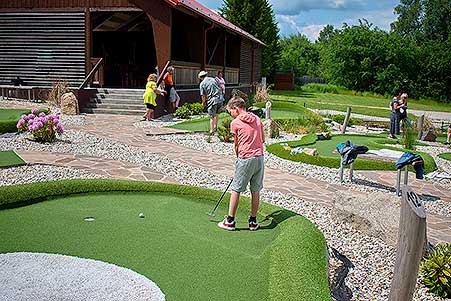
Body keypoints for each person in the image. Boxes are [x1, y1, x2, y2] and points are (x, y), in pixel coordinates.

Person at [217, 96, 265, 231]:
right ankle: (253, 221)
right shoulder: (256, 118)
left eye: (230, 112)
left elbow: (237, 145)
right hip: (259, 158)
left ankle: (230, 221)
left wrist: (239, 158)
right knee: (255, 190)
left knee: (236, 189)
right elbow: (263, 139)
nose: (231, 115)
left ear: (236, 108)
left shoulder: (236, 123)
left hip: (245, 158)